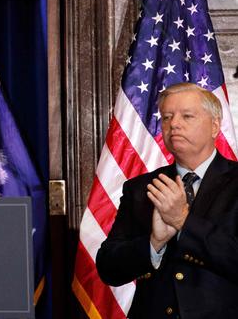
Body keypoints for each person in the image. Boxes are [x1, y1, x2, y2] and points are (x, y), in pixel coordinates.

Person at [96, 83, 238, 317]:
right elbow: (108, 268)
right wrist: (153, 244)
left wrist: (184, 221)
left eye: (187, 116)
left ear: (215, 126)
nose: (174, 125)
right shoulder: (142, 188)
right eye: (166, 117)